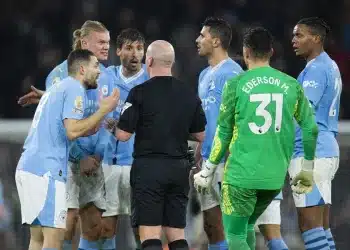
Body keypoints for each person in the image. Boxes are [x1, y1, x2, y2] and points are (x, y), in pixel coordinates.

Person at [193, 27, 318, 250]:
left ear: (246, 52)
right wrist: (306, 170)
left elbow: (223, 133)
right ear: (271, 52)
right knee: (257, 230)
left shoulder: (236, 84)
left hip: (241, 176)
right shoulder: (291, 85)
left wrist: (208, 169)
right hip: (273, 177)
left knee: (235, 236)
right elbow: (310, 129)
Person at [17, 20, 115, 250]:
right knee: (55, 239)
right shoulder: (70, 85)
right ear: (82, 67)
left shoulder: (60, 89)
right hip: (48, 170)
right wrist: (103, 110)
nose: (99, 71)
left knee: (38, 239)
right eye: (94, 67)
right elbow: (72, 130)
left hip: (30, 166)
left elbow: (66, 114)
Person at [115, 40, 206, 250]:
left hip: (149, 169)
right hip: (179, 169)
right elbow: (201, 135)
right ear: (171, 63)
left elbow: (123, 135)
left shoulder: (139, 93)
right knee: (176, 234)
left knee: (150, 235)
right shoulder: (188, 94)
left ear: (149, 60)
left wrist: (113, 125)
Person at [290, 17, 341, 250]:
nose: (293, 40)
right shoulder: (329, 65)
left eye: (299, 35)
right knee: (321, 227)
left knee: (309, 226)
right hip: (326, 149)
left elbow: (305, 113)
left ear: (317, 38)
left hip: (311, 153)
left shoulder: (317, 69)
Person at [195, 17, 243, 250]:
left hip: (227, 160)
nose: (198, 40)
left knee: (230, 225)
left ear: (215, 41)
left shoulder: (233, 73)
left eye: (202, 35)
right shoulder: (203, 76)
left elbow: (241, 118)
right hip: (207, 159)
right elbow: (207, 117)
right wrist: (198, 151)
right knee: (211, 226)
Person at [101, 28, 148, 250]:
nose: (135, 54)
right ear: (118, 51)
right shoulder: (106, 76)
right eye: (129, 48)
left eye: (139, 49)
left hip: (139, 164)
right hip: (108, 162)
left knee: (142, 229)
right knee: (106, 228)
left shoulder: (152, 79)